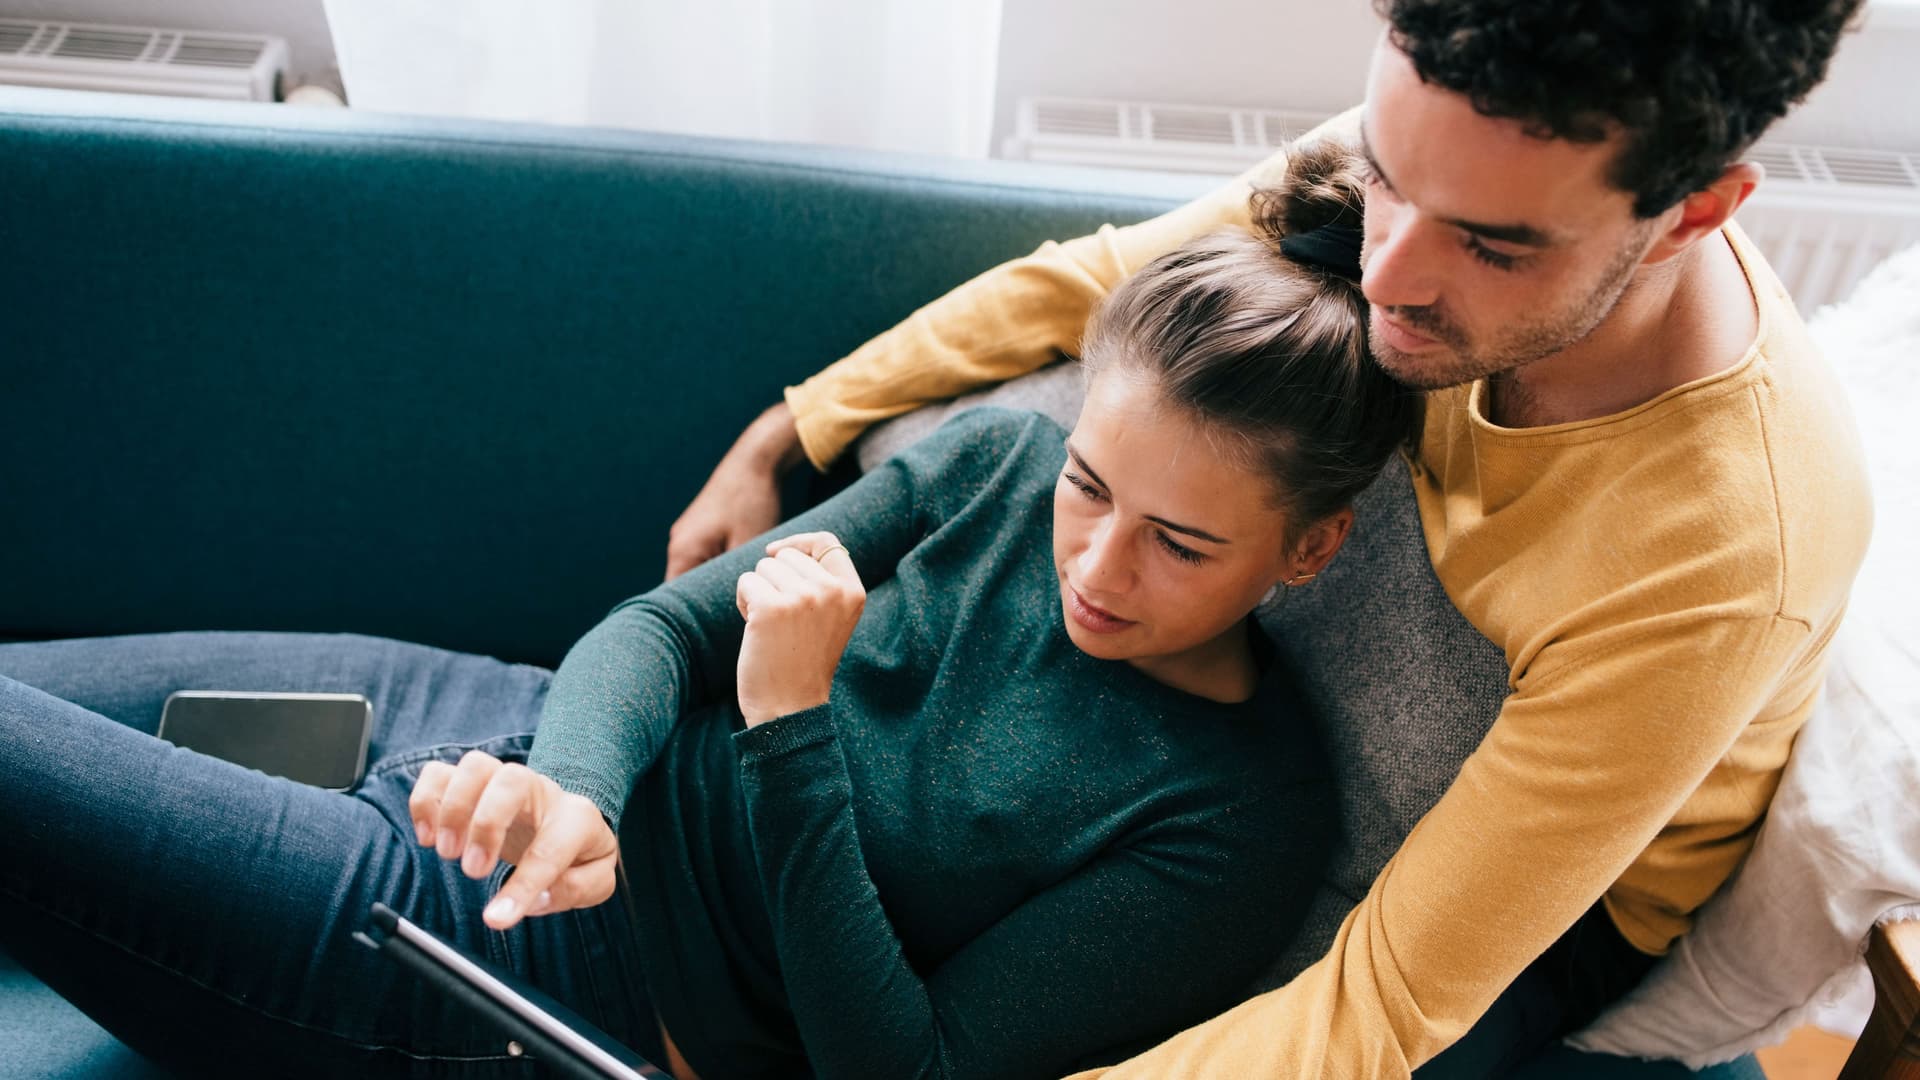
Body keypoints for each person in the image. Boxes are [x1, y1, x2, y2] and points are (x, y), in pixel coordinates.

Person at [0, 150, 1416, 1078]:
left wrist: (789, 727)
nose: (1099, 566)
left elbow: (901, 1069)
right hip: (507, 737)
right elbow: (664, 630)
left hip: (545, 974)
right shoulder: (999, 462)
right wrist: (572, 791)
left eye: (1180, 542)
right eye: (1093, 487)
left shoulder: (1236, 816)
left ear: (1309, 548)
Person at [663, 2, 1875, 1077]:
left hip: (1550, 909)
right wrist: (795, 424)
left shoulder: (1723, 551)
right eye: (1389, 178)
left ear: (1694, 213)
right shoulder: (1453, 147)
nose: (1387, 274)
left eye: (1491, 246)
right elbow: (1096, 282)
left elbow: (1384, 1007)